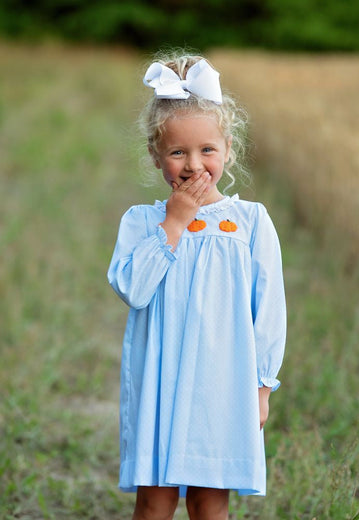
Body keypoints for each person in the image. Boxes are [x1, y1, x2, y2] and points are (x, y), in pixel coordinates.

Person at [107, 52, 286, 520]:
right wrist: (175, 222)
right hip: (159, 381)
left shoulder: (250, 222)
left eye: (207, 150)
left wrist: (262, 387)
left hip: (222, 385)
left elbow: (268, 311)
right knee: (155, 500)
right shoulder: (142, 222)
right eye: (177, 152)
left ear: (228, 148)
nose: (193, 165)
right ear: (155, 155)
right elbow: (133, 288)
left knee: (210, 501)